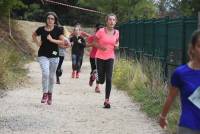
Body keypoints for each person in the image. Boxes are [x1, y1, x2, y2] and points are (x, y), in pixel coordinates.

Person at [159, 30, 200, 133]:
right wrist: (163, 116)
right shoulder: (181, 73)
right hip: (189, 127)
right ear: (193, 48)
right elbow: (171, 97)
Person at [32, 12, 69, 105]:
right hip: (43, 54)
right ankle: (45, 93)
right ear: (46, 19)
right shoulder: (41, 29)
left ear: (55, 20)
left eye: (52, 19)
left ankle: (50, 94)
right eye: (48, 18)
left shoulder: (57, 29)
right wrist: (37, 43)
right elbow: (34, 35)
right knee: (45, 73)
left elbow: (62, 41)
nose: (50, 20)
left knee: (52, 76)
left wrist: (52, 40)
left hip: (54, 55)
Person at [92, 13, 119, 108]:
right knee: (102, 80)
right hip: (99, 57)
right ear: (106, 21)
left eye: (113, 20)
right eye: (110, 20)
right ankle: (95, 74)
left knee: (109, 79)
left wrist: (117, 45)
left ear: (115, 22)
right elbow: (93, 42)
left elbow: (116, 42)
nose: (111, 21)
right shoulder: (101, 31)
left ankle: (107, 100)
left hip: (110, 57)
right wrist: (101, 47)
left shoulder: (117, 32)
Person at [87, 23, 104, 93]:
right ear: (96, 30)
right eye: (98, 30)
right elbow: (87, 44)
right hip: (93, 57)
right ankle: (97, 86)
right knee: (96, 71)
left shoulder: (104, 37)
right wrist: (93, 44)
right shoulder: (93, 37)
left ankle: (92, 77)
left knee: (97, 72)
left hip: (102, 57)